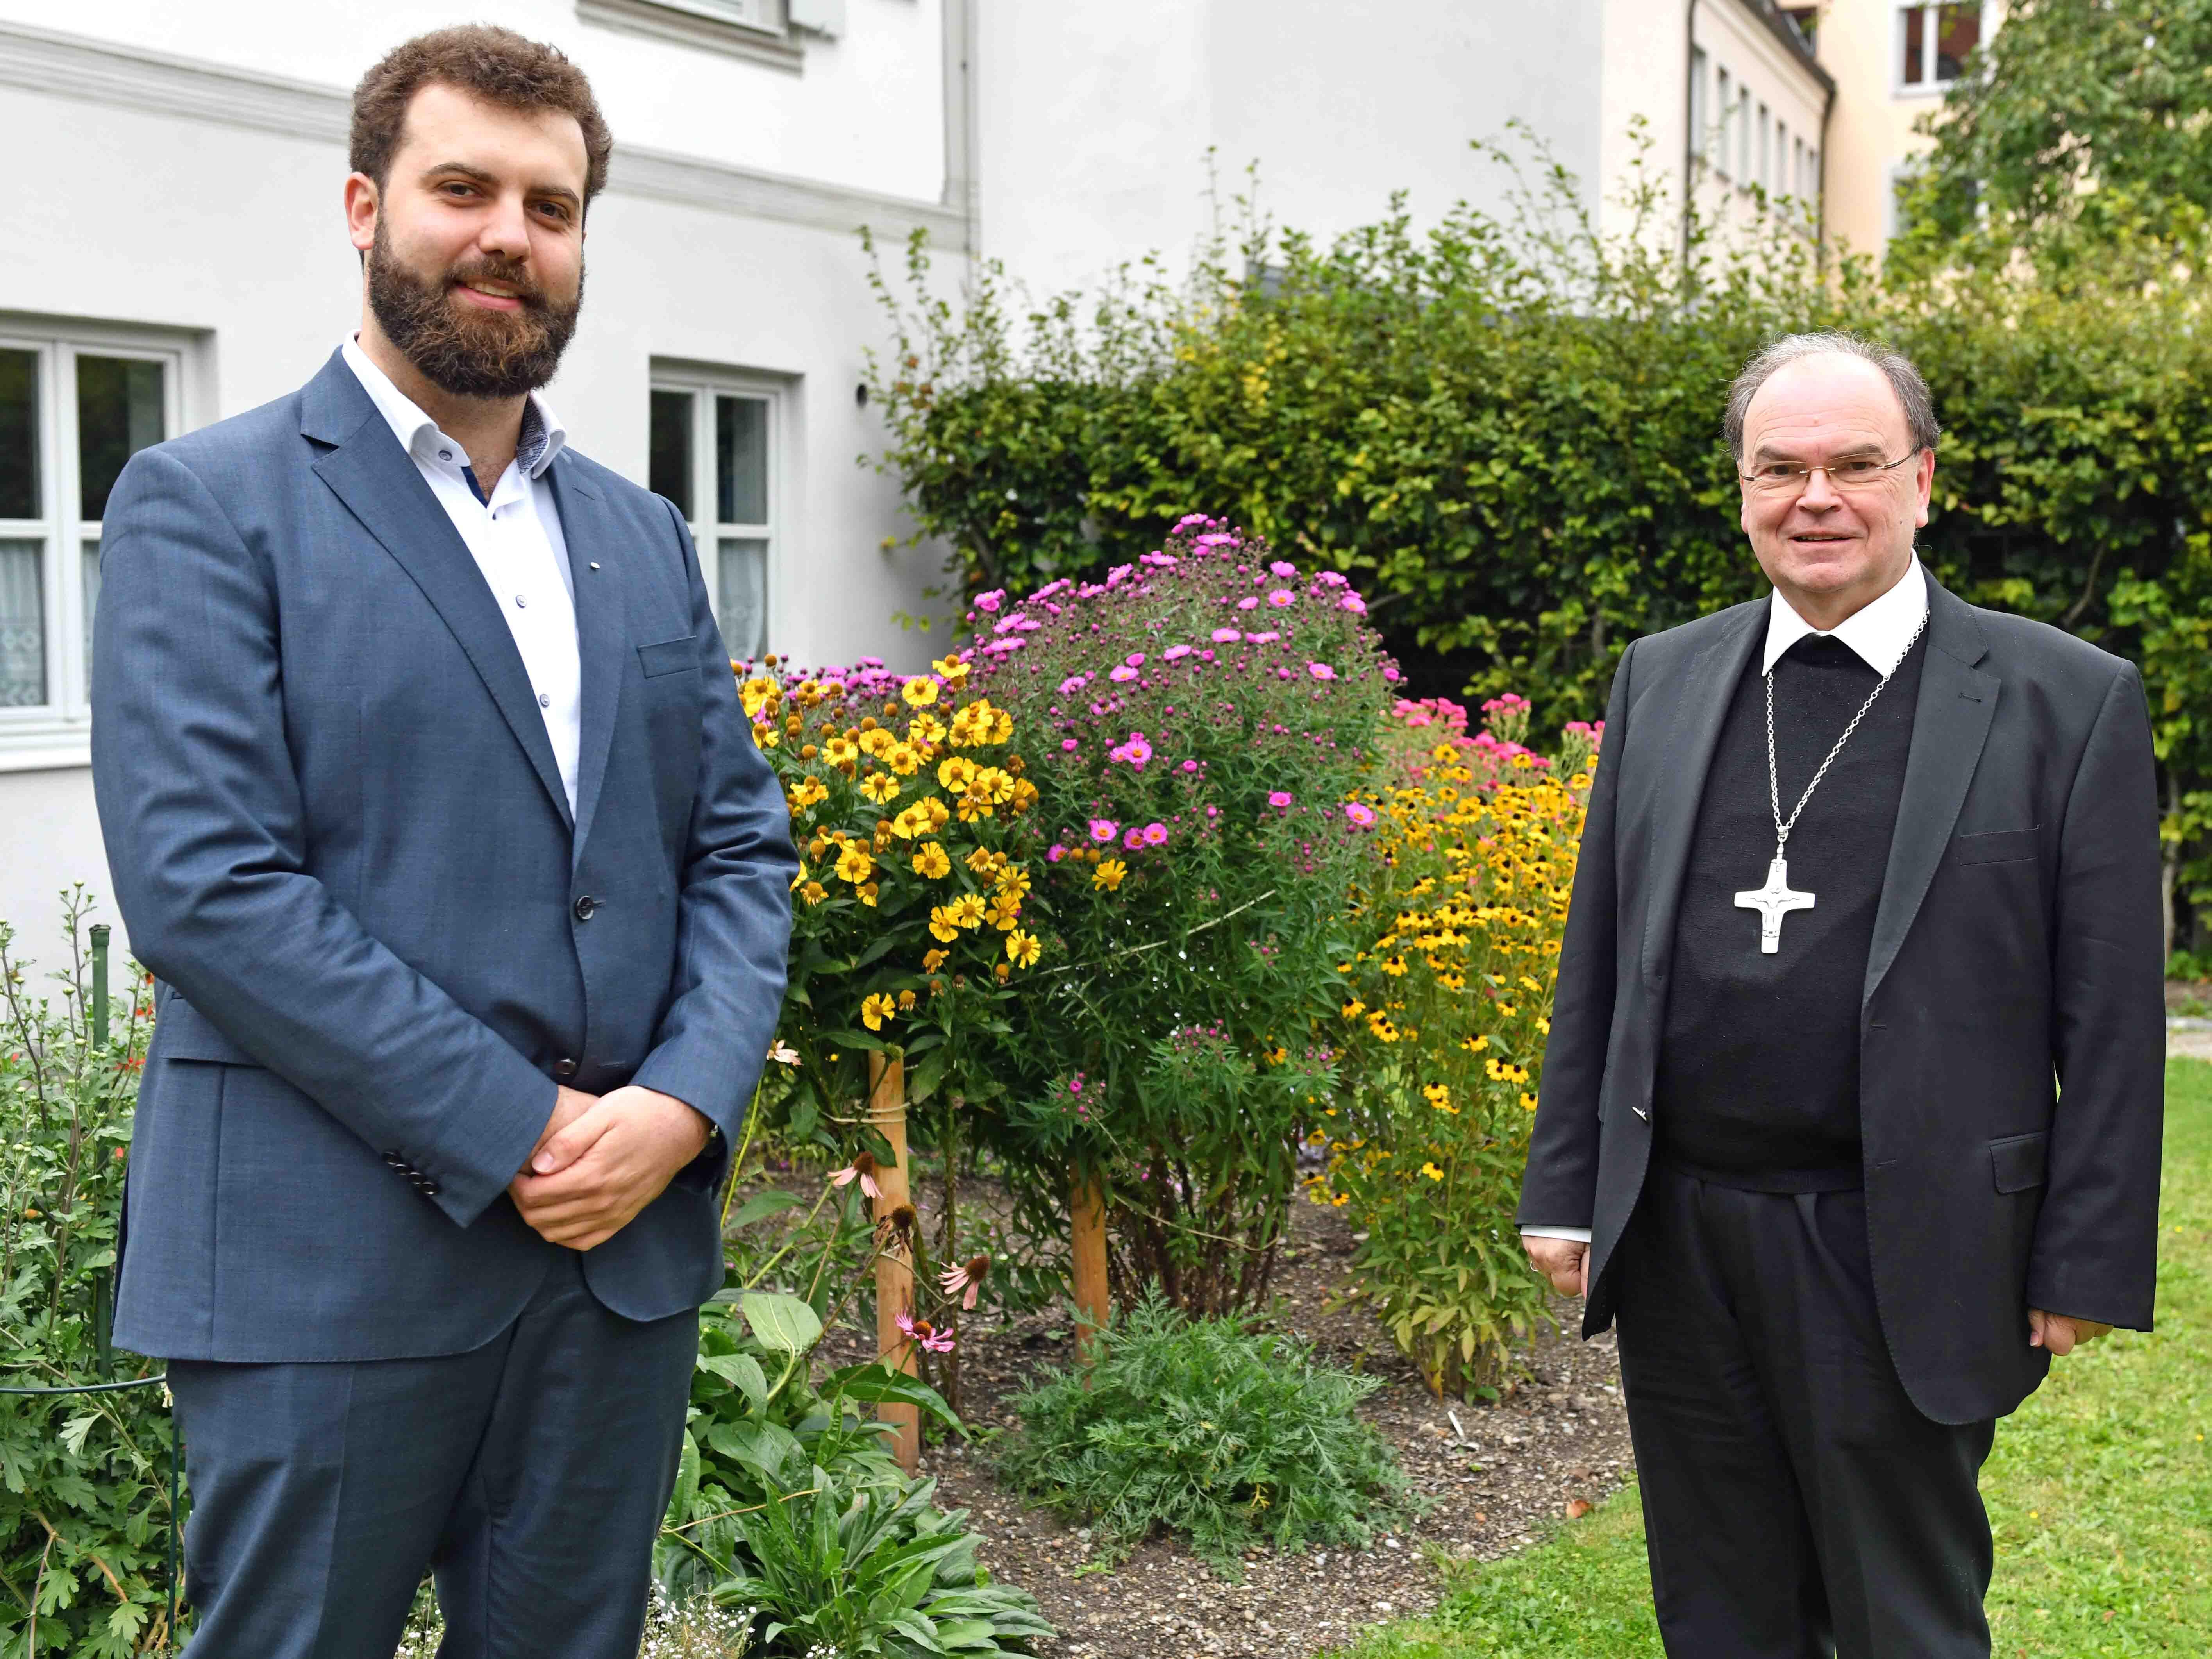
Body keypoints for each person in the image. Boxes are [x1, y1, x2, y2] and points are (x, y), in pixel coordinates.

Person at [90, 26, 796, 1657]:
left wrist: (683, 1107)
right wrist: (528, 1126)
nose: (508, 237)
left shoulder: (641, 534)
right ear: (364, 205)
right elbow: (208, 887)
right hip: (324, 1262)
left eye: (551, 207)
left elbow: (739, 851)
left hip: (616, 1270)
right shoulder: (210, 501)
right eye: (463, 188)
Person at [1517, 333, 2164, 1658]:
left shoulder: (2064, 699)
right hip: (1684, 1235)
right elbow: (1604, 951)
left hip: (1902, 1238)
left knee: (1900, 1619)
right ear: (1743, 490)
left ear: (1922, 481)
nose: (1818, 497)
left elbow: (2111, 1019)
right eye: (1782, 468)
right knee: (1719, 1611)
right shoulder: (1666, 676)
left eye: (1856, 464)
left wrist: (2086, 1253)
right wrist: (1565, 1182)